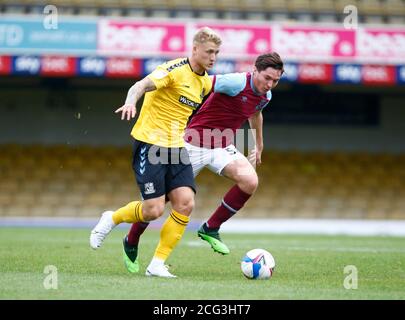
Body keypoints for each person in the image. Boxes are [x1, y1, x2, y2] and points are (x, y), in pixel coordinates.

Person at [123, 52, 284, 274]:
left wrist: (259, 144)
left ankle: (211, 228)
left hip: (221, 145)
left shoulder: (266, 96)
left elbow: (256, 114)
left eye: (276, 80)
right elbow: (201, 83)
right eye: (267, 78)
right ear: (255, 70)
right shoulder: (235, 82)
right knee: (159, 202)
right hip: (193, 142)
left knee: (249, 181)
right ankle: (131, 239)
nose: (270, 84)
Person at [89, 27, 222, 278]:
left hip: (176, 147)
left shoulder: (204, 82)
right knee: (153, 210)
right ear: (194, 49)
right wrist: (131, 101)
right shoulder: (173, 71)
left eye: (216, 52)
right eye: (209, 52)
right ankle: (112, 218)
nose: (213, 57)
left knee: (185, 203)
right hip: (150, 144)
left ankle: (157, 264)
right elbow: (140, 85)